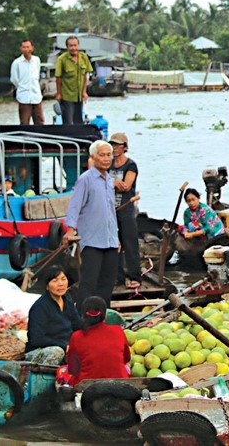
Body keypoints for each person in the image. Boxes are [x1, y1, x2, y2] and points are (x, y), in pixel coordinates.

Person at [64, 140, 119, 307]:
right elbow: (75, 206)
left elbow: (111, 211)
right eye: (102, 155)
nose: (106, 159)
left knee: (108, 282)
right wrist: (71, 229)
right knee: (89, 282)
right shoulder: (85, 179)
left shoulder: (109, 180)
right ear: (93, 157)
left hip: (110, 240)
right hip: (92, 240)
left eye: (109, 155)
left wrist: (116, 237)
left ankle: (102, 316)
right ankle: (83, 318)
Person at [66, 296, 130, 385]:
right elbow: (126, 358)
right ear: (105, 315)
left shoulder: (76, 336)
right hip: (120, 384)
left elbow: (73, 370)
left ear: (83, 316)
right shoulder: (118, 330)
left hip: (87, 386)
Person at [25, 265, 81, 365]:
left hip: (66, 346)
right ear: (47, 286)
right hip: (41, 351)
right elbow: (37, 339)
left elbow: (77, 325)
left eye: (63, 279)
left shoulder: (67, 299)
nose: (61, 284)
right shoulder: (40, 307)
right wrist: (64, 345)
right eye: (55, 281)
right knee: (57, 352)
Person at [109, 133, 141, 289]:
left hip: (126, 208)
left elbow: (126, 186)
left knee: (129, 243)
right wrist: (114, 182)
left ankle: (135, 276)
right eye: (112, 145)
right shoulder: (108, 164)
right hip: (110, 209)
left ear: (124, 147)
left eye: (117, 145)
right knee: (114, 244)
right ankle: (117, 277)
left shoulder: (130, 165)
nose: (115, 148)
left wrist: (111, 182)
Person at [175, 188, 224, 256]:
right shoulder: (187, 212)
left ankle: (203, 242)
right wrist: (185, 232)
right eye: (189, 201)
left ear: (198, 198)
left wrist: (192, 234)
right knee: (181, 229)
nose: (192, 203)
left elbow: (207, 228)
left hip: (213, 231)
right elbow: (186, 225)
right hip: (199, 229)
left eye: (193, 199)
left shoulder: (205, 210)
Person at [55, 36, 92, 125]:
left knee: (79, 122)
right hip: (67, 95)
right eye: (70, 46)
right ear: (67, 47)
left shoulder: (84, 57)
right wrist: (59, 93)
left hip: (79, 96)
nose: (73, 48)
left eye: (75, 45)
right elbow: (58, 77)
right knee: (68, 122)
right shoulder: (62, 59)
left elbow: (85, 75)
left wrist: (84, 92)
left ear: (78, 46)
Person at [10, 38, 44, 125]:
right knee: (24, 122)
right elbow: (14, 79)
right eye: (24, 47)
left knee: (40, 121)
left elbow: (37, 76)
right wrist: (22, 87)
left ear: (32, 48)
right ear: (21, 49)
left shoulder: (36, 60)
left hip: (36, 96)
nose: (26, 49)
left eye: (28, 47)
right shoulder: (17, 63)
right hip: (24, 97)